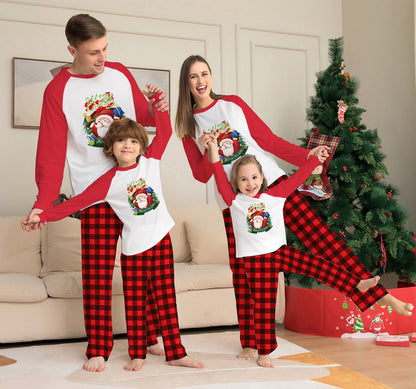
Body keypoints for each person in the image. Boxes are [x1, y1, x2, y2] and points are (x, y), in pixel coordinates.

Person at [175, 54, 414, 361]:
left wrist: (309, 157)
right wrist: (210, 151)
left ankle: (372, 291)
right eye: (193, 76)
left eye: (204, 73)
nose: (201, 81)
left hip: (272, 183)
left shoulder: (231, 104)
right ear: (187, 83)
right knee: (242, 273)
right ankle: (250, 342)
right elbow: (199, 174)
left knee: (320, 238)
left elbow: (268, 140)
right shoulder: (187, 126)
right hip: (235, 204)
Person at [21, 14, 167, 372]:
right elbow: (51, 152)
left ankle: (147, 338)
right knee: (98, 273)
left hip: (134, 185)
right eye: (92, 52)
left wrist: (158, 108)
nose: (102, 58)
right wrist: (44, 204)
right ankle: (98, 347)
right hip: (95, 193)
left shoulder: (119, 72)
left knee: (144, 269)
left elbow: (143, 118)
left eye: (105, 48)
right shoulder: (57, 91)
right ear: (72, 50)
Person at [22, 96, 204, 371]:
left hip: (161, 241)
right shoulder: (107, 182)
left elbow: (165, 132)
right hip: (132, 250)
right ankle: (137, 354)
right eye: (121, 141)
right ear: (111, 147)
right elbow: (75, 203)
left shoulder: (150, 162)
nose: (128, 145)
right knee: (135, 303)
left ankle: (176, 352)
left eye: (133, 141)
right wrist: (42, 215)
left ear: (142, 146)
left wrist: (157, 104)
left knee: (166, 299)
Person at [207, 144, 383, 367]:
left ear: (262, 177)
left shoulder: (275, 195)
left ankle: (356, 283)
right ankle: (264, 352)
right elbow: (216, 171)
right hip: (255, 262)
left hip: (279, 252)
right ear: (235, 183)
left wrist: (313, 160)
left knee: (319, 265)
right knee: (264, 305)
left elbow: (298, 178)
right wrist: (213, 149)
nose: (250, 183)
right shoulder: (234, 202)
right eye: (243, 180)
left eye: (253, 177)